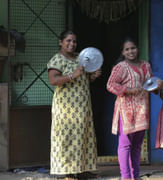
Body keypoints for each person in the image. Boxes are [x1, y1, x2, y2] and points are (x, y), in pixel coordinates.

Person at [47, 30, 101, 179]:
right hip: (66, 109)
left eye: (74, 41)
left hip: (82, 105)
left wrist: (93, 76)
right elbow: (53, 80)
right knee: (67, 138)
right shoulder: (56, 60)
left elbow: (84, 79)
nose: (72, 44)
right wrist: (72, 75)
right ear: (61, 42)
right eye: (68, 41)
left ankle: (83, 169)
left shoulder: (81, 58)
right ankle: (68, 172)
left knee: (84, 136)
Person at [106, 37, 161, 180]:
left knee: (137, 146)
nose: (131, 51)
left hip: (142, 110)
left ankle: (135, 176)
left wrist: (157, 87)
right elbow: (110, 84)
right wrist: (128, 90)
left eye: (133, 48)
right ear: (123, 52)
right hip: (126, 111)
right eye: (127, 49)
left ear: (138, 49)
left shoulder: (146, 65)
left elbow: (151, 86)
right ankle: (126, 176)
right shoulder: (120, 67)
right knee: (125, 145)